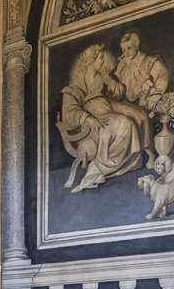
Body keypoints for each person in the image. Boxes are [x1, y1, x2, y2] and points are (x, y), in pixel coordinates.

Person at [57, 42, 151, 191]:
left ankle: (139, 157)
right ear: (91, 62)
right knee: (125, 123)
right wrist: (88, 118)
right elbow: (70, 113)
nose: (103, 61)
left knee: (139, 115)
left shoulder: (101, 76)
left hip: (108, 105)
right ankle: (100, 167)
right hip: (93, 118)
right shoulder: (74, 87)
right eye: (100, 58)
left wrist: (108, 79)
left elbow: (119, 94)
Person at [115, 31, 174, 160]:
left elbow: (161, 77)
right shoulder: (121, 68)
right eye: (123, 50)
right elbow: (119, 90)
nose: (126, 52)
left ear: (137, 45)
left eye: (129, 48)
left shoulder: (150, 61)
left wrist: (156, 94)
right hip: (132, 104)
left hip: (152, 99)